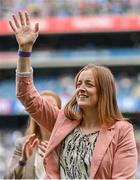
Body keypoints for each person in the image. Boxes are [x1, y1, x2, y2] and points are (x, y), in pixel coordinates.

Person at [9, 11, 138, 179]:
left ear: (104, 91)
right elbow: (27, 96)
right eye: (78, 84)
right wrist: (24, 51)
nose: (81, 88)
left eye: (89, 84)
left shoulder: (122, 131)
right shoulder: (62, 120)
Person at [4, 90, 62, 179]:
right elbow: (8, 178)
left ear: (59, 113)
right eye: (41, 107)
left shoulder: (69, 143)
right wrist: (23, 161)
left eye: (51, 107)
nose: (45, 112)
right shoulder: (23, 143)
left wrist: (58, 163)